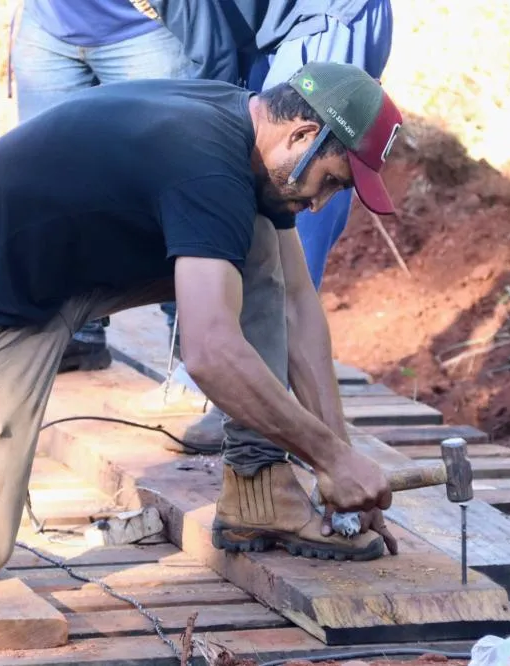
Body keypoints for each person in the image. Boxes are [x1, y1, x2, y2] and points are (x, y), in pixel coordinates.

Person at [0, 62, 403, 580]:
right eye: (333, 181)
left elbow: (294, 305)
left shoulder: (252, 144)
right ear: (301, 135)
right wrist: (330, 457)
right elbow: (208, 352)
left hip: (62, 280)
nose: (323, 204)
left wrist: (340, 467)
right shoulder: (206, 165)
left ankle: (260, 487)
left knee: (264, 247)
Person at [127, 0, 397, 453]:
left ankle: (257, 410)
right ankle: (240, 395)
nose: (321, 205)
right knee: (268, 165)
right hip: (267, 27)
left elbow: (208, 48)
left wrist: (335, 453)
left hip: (320, 14)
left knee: (290, 185)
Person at [0, 0, 207, 373]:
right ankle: (78, 334)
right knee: (50, 192)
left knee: (171, 191)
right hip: (49, 27)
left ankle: (196, 351)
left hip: (146, 27)